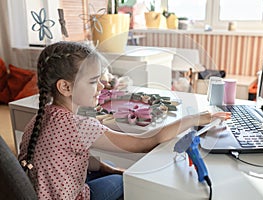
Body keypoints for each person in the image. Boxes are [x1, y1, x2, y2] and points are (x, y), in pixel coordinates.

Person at [18, 41, 230, 200]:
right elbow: (144, 144)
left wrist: (109, 169)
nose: (101, 87)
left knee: (108, 166)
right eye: (94, 81)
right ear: (65, 87)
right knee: (124, 181)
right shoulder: (78, 126)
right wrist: (193, 118)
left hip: (44, 192)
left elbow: (72, 158)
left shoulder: (40, 116)